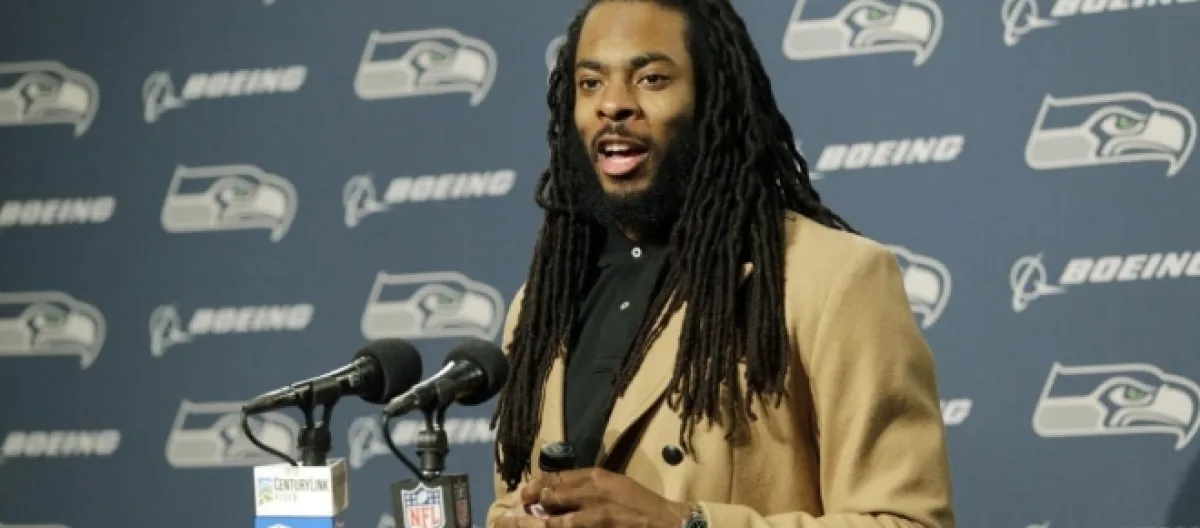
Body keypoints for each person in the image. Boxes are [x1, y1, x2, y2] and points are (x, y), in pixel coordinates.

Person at [487, 1, 956, 527]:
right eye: (591, 83)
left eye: (652, 78)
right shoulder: (540, 306)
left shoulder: (833, 279)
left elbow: (907, 522)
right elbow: (515, 497)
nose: (613, 104)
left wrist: (686, 523)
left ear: (712, 96)